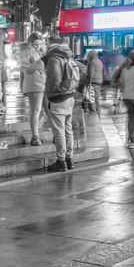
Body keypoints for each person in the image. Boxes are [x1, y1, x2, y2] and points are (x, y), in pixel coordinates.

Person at [42, 35, 80, 171]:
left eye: (46, 42)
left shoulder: (54, 58)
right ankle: (70, 159)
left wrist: (49, 92)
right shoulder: (67, 55)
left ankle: (61, 161)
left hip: (58, 98)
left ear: (51, 43)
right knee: (68, 130)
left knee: (59, 131)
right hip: (70, 97)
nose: (45, 45)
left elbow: (54, 79)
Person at [19, 32, 47, 146]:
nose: (38, 46)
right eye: (36, 44)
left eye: (40, 44)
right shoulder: (26, 52)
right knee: (36, 110)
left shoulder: (39, 52)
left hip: (42, 82)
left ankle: (37, 132)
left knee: (45, 110)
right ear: (30, 43)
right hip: (34, 83)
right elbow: (25, 69)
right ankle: (35, 137)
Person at [82, 49, 105, 114]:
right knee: (97, 97)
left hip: (94, 82)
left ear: (91, 55)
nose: (88, 56)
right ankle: (98, 110)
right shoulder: (99, 61)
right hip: (99, 81)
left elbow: (91, 73)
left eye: (89, 54)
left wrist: (89, 82)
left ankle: (93, 111)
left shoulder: (92, 62)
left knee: (91, 97)